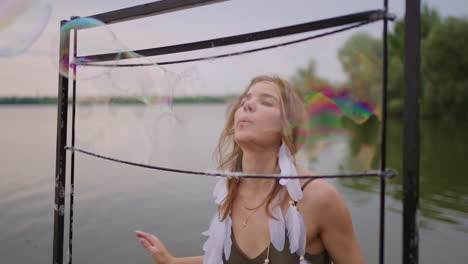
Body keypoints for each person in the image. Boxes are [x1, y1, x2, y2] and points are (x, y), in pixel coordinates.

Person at [135, 75, 366, 264]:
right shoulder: (230, 189)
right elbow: (224, 259)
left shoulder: (319, 198)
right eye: (245, 100)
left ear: (288, 125)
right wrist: (172, 262)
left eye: (266, 102)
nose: (247, 105)